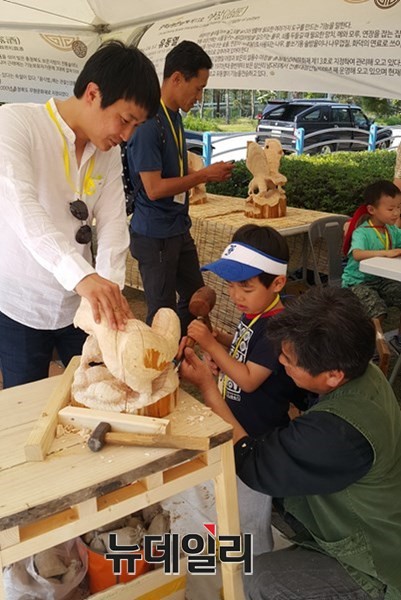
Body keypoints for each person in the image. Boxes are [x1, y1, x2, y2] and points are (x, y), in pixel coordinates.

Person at [180, 286, 401, 599]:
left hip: (377, 560)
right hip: (377, 516)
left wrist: (208, 388)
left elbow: (253, 461)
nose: (279, 361)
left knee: (262, 581)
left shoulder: (336, 432)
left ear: (333, 376)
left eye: (288, 359)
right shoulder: (364, 373)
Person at [0, 40, 160, 389]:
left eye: (136, 126)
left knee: (96, 387)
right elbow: (20, 205)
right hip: (22, 303)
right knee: (24, 402)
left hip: (80, 305)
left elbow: (116, 222)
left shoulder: (105, 150)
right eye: (125, 120)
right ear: (92, 93)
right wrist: (81, 276)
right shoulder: (15, 123)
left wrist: (110, 293)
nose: (127, 135)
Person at [184, 224, 307, 554]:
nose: (235, 295)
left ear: (277, 282)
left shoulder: (276, 325)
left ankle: (257, 571)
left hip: (256, 438)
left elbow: (250, 378)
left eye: (245, 287)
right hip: (236, 424)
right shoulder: (255, 312)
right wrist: (222, 344)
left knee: (249, 513)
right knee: (230, 503)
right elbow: (244, 350)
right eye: (230, 286)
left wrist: (212, 345)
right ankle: (232, 552)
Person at [126, 40, 234, 335]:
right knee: (163, 313)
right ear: (176, 78)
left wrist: (200, 173)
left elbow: (172, 173)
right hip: (155, 233)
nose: (199, 97)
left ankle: (185, 359)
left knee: (197, 298)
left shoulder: (173, 116)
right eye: (198, 87)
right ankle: (161, 371)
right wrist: (203, 177)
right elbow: (154, 188)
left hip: (176, 226)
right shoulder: (148, 122)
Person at [342, 180, 401, 346]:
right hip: (357, 282)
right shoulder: (362, 232)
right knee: (376, 310)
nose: (396, 213)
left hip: (382, 280)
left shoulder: (391, 230)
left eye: (399, 207)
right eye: (390, 209)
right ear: (372, 210)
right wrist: (386, 253)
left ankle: (398, 339)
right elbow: (357, 254)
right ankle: (373, 346)